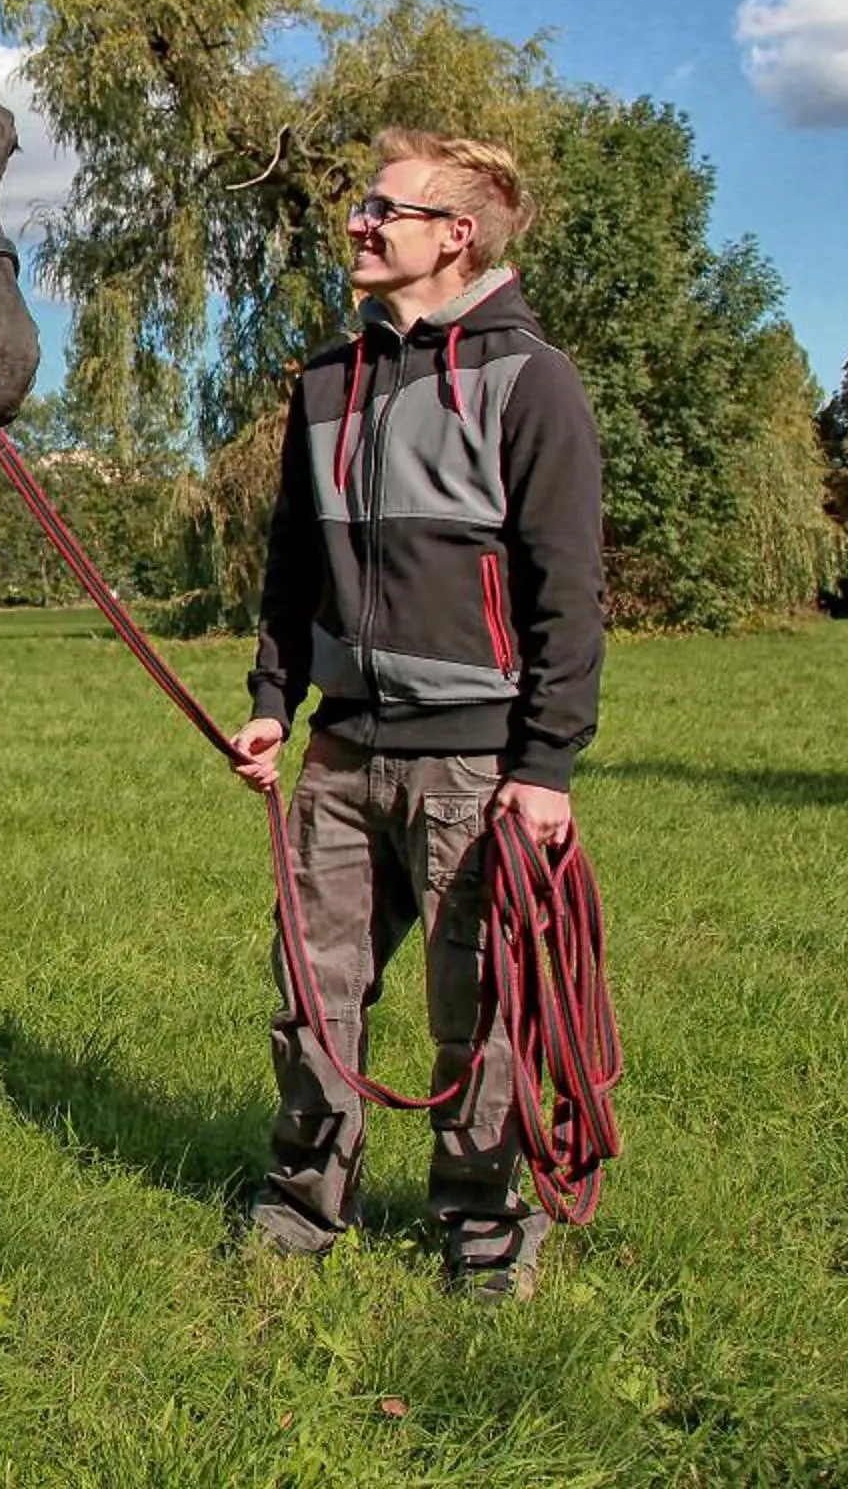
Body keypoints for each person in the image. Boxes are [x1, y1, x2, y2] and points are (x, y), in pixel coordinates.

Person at [224, 127, 604, 1303]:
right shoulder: (326, 382)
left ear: (457, 234)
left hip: (476, 766)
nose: (358, 221)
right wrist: (274, 701)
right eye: (362, 205)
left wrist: (545, 765)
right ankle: (302, 1204)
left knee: (480, 1009)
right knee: (312, 994)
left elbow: (567, 590)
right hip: (341, 751)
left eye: (384, 208)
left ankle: (484, 1225)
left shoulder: (529, 379)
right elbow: (293, 565)